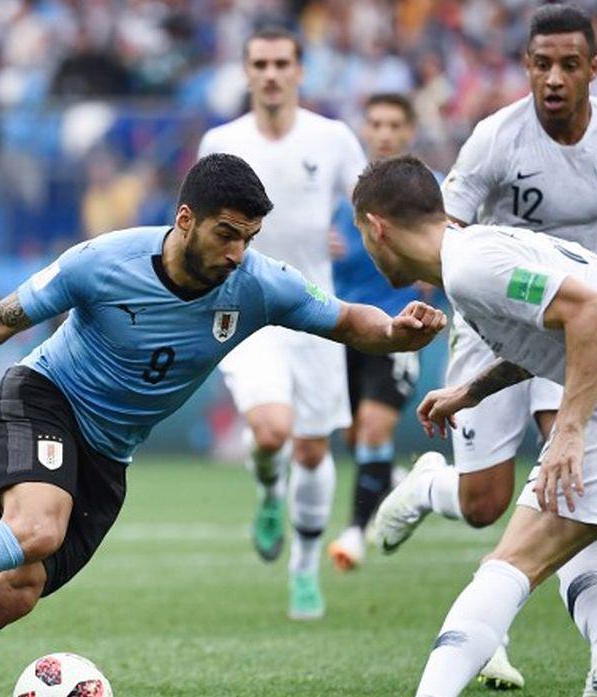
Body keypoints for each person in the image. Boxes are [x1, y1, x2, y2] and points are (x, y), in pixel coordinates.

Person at [0, 153, 445, 697]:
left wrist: (398, 331)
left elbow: (348, 321)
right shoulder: (102, 262)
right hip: (45, 398)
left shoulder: (258, 284)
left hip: (111, 455)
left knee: (17, 591)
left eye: (248, 237)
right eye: (226, 233)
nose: (237, 251)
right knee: (34, 530)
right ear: (185, 219)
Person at [355, 155, 597, 697]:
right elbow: (557, 332)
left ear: (376, 227)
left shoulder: (469, 266)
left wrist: (571, 430)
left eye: (363, 237)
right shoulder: (485, 250)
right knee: (566, 520)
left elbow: (596, 316)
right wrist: (472, 391)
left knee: (507, 565)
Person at [379, 4, 597, 688]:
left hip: (579, 324)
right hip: (493, 325)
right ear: (525, 68)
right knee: (487, 501)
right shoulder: (494, 142)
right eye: (540, 64)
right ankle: (430, 484)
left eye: (568, 64)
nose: (553, 78)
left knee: (567, 477)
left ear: (593, 69)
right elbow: (440, 231)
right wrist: (427, 308)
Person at [197, 26, 368, 619]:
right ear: (246, 72)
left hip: (314, 309)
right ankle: (270, 488)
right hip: (245, 308)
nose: (270, 74)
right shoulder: (221, 141)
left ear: (300, 70)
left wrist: (350, 234)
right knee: (272, 432)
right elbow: (196, 225)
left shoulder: (333, 137)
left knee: (316, 452)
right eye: (260, 63)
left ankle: (303, 569)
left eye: (281, 63)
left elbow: (371, 207)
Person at [326, 93, 425, 572]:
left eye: (394, 123)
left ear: (410, 131)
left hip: (397, 326)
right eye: (376, 124)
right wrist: (318, 245)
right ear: (365, 131)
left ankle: (354, 533)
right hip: (344, 327)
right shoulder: (343, 196)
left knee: (372, 426)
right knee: (353, 434)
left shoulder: (432, 194)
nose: (384, 133)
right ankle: (391, 477)